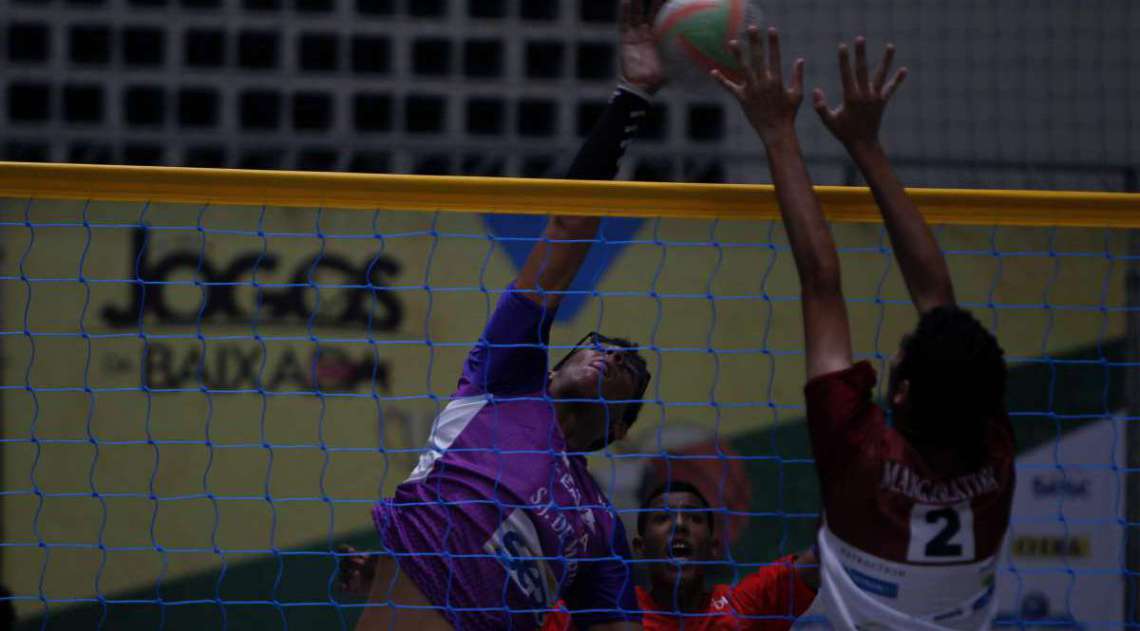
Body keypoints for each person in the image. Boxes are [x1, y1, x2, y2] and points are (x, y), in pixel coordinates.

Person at [355, 1, 666, 629]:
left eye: (628, 365)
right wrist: (632, 95)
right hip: (419, 593)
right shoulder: (505, 379)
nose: (611, 355)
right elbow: (569, 224)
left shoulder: (601, 527)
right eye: (597, 344)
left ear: (621, 427)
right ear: (557, 364)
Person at [712, 27, 1012, 630]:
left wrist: (782, 133)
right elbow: (924, 297)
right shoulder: (989, 454)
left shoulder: (866, 457)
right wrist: (848, 144)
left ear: (900, 392)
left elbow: (832, 282)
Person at [342, 481, 818, 631]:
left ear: (716, 545)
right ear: (637, 548)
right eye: (663, 518)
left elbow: (831, 555)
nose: (679, 525)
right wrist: (393, 584)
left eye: (694, 517)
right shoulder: (602, 618)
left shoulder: (745, 606)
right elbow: (482, 607)